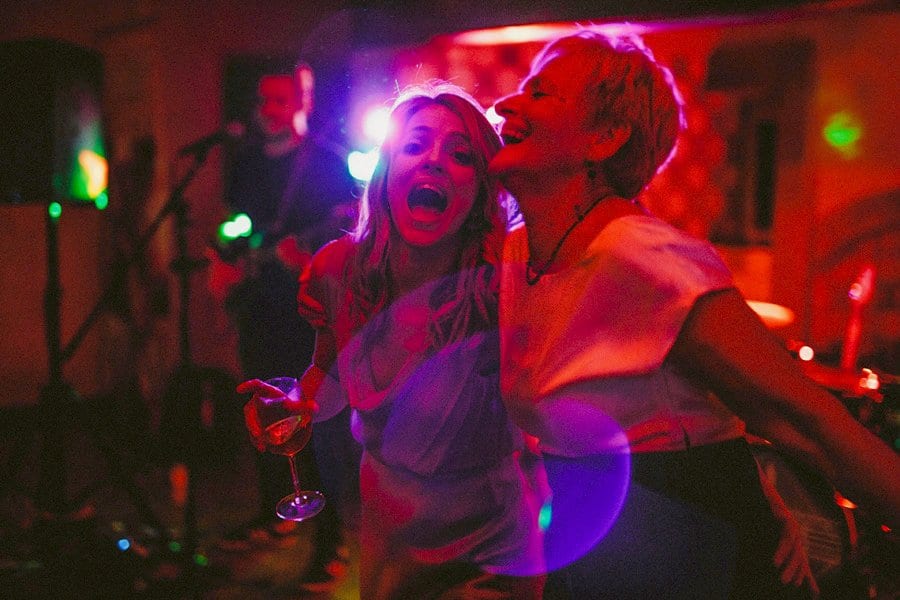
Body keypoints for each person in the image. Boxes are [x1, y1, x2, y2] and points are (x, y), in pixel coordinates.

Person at [489, 30, 900, 599]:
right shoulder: (513, 254)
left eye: (541, 94)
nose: (507, 103)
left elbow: (805, 420)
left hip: (695, 547)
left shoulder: (642, 257)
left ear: (604, 138)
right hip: (599, 550)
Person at [240, 83, 546, 599]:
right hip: (389, 542)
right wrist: (300, 402)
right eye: (414, 145)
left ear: (479, 190)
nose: (433, 161)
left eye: (460, 154)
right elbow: (330, 374)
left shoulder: (506, 280)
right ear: (386, 173)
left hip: (492, 543)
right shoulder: (336, 272)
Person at [206, 63, 358, 587]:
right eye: (262, 100)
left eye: (279, 99)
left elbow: (354, 224)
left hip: (309, 312)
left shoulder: (325, 161)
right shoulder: (245, 164)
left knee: (318, 422)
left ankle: (329, 539)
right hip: (260, 306)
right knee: (265, 409)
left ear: (302, 102)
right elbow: (235, 226)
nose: (268, 110)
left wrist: (311, 249)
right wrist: (224, 260)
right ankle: (274, 509)